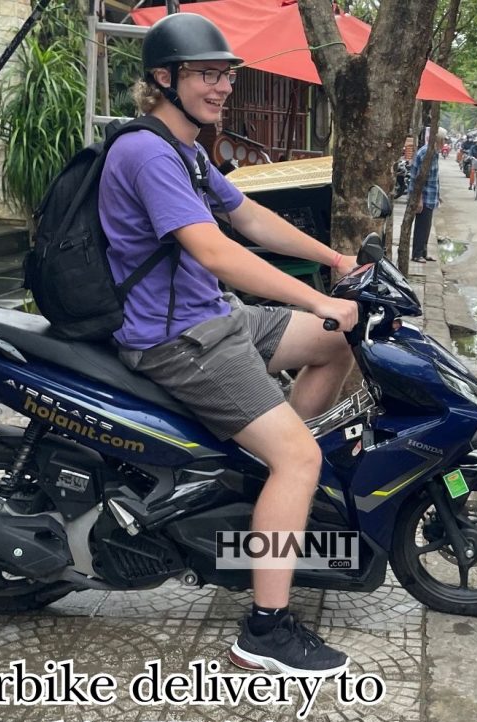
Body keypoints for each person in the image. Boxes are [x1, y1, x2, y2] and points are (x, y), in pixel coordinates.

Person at [101, 13, 359, 678]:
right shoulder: (147, 151)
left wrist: (336, 260)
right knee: (301, 458)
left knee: (338, 344)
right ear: (164, 79)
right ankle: (264, 631)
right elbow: (215, 249)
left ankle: (264, 481)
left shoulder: (185, 147)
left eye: (225, 74)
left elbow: (246, 216)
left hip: (217, 319)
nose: (222, 87)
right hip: (178, 339)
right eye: (206, 74)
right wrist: (314, 297)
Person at [411, 130, 443, 262]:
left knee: (427, 226)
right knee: (421, 226)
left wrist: (438, 195)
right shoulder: (426, 153)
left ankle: (423, 252)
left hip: (430, 196)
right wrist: (418, 199)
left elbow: (434, 177)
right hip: (423, 197)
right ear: (438, 140)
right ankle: (417, 254)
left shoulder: (434, 154)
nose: (444, 143)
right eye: (443, 140)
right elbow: (419, 179)